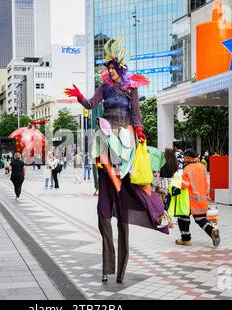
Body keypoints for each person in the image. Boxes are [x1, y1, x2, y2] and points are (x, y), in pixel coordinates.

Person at [64, 38, 168, 284]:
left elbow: (135, 114)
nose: (109, 70)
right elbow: (91, 103)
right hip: (106, 140)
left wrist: (140, 131)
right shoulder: (106, 88)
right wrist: (80, 97)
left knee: (123, 208)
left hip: (126, 144)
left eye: (113, 67)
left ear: (121, 68)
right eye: (108, 67)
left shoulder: (131, 88)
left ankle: (121, 269)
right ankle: (106, 266)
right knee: (104, 210)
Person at [175, 148, 220, 247]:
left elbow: (184, 185)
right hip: (202, 197)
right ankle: (211, 231)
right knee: (200, 218)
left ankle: (186, 239)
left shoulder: (187, 169)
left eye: (185, 157)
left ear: (189, 157)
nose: (184, 158)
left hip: (191, 199)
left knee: (183, 217)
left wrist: (176, 182)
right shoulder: (202, 167)